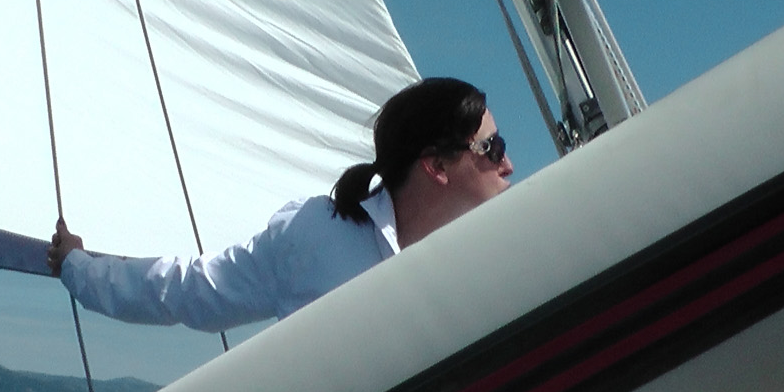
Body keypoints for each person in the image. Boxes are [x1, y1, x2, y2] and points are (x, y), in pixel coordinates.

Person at [47, 77, 515, 332]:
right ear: (436, 166)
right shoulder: (315, 236)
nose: (508, 164)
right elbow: (189, 289)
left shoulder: (496, 260)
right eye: (492, 148)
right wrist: (78, 267)